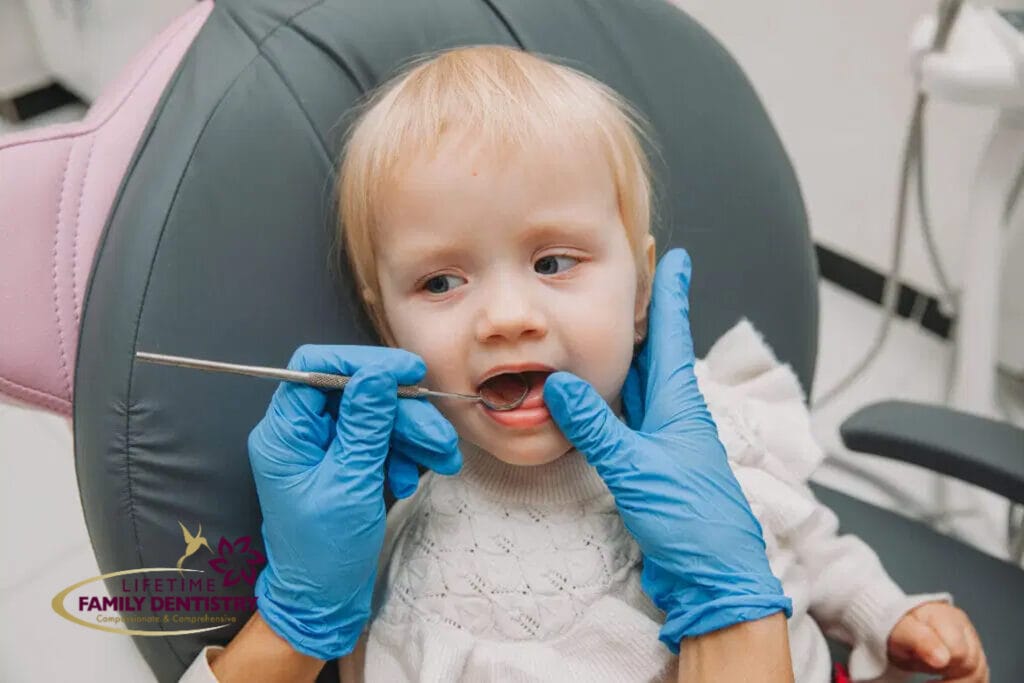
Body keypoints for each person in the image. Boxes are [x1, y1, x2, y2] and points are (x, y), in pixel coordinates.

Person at [183, 45, 987, 682]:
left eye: (554, 261)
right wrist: (298, 620)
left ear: (640, 286)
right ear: (381, 318)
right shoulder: (394, 509)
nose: (505, 317)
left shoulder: (702, 424)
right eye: (441, 281)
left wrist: (888, 611)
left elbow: (808, 540)